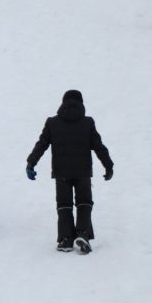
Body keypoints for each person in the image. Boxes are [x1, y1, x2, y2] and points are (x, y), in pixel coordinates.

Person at [26, 90, 113, 254]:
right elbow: (99, 146)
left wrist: (31, 163)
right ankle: (83, 234)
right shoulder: (87, 122)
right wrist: (108, 165)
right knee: (84, 202)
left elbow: (41, 144)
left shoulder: (52, 122)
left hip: (62, 172)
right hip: (83, 172)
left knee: (64, 205)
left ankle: (66, 239)